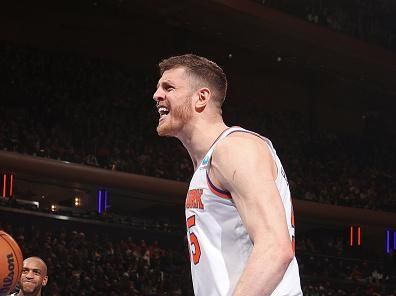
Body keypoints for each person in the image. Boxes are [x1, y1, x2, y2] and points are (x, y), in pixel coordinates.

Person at [153, 54, 302, 296]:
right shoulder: (210, 161)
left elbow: (275, 248)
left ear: (201, 97)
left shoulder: (235, 148)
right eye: (158, 87)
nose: (157, 95)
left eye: (168, 87)